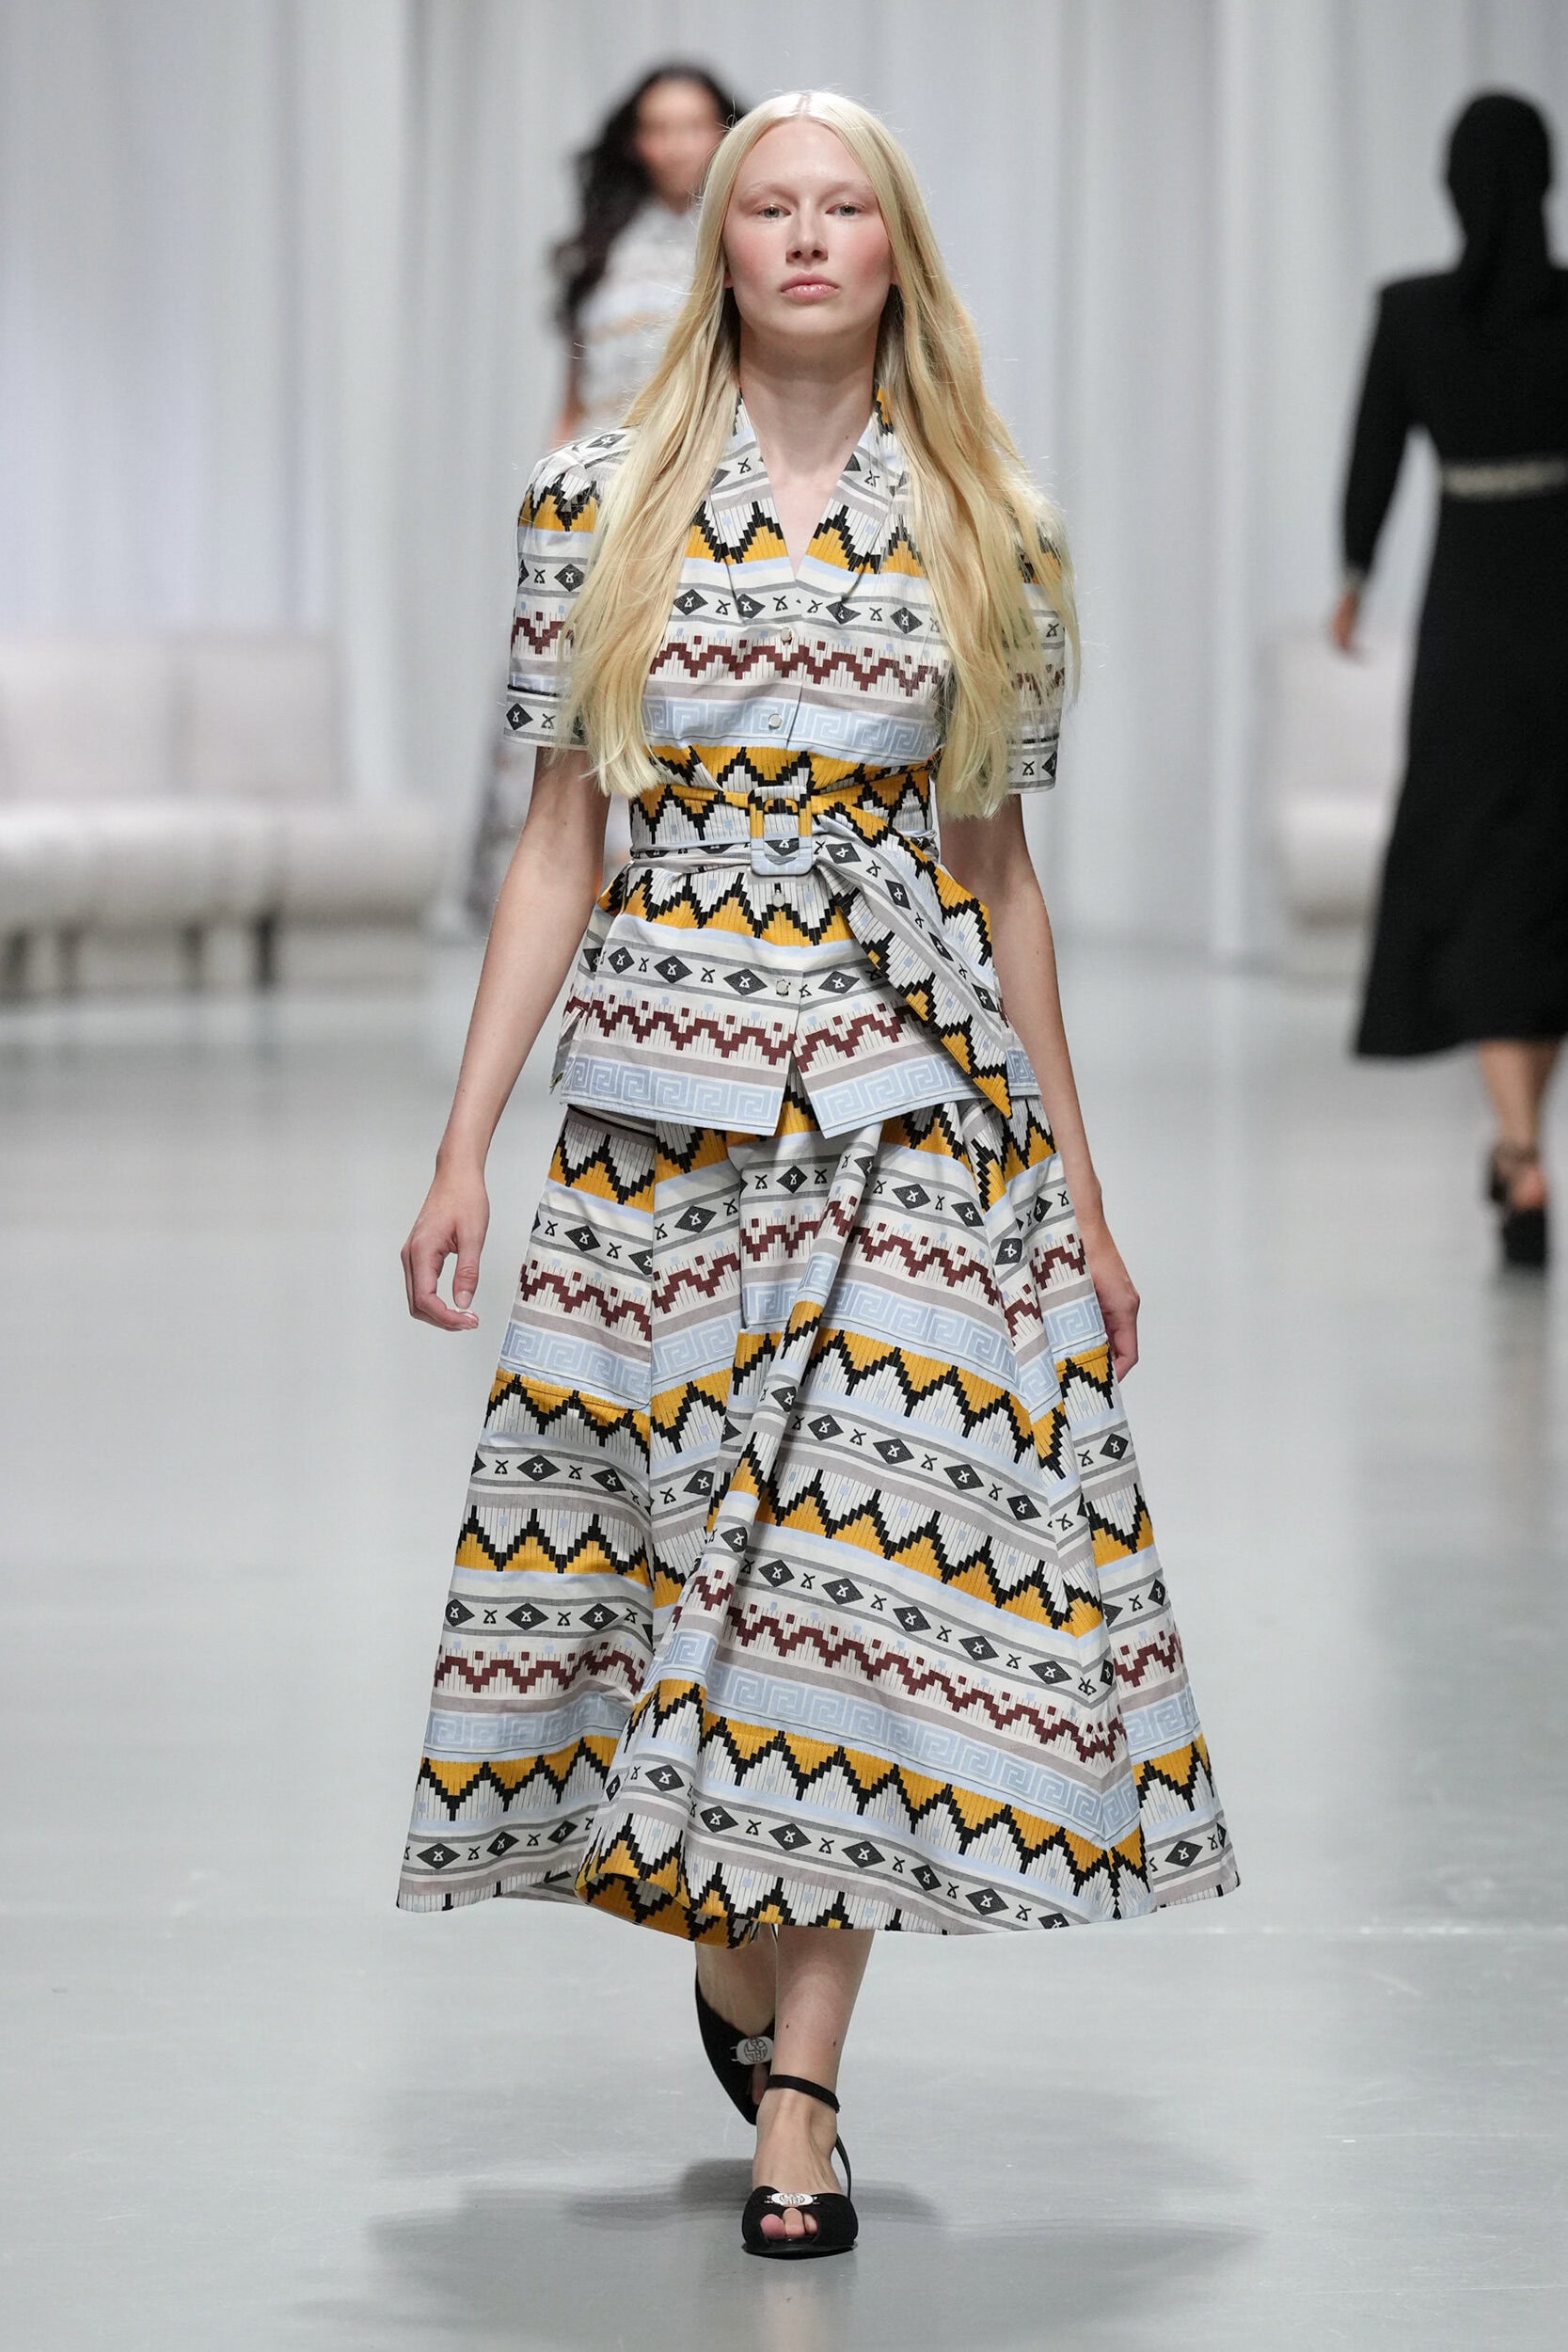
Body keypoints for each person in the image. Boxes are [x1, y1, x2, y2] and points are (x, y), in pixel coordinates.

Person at [400, 90, 1237, 2260]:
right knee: (678, 1573)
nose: (798, 234)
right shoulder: (591, 505)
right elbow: (559, 842)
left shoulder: (990, 526)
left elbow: (999, 871)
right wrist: (463, 1143)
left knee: (850, 1593)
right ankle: (729, 1944)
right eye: (763, 205)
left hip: (902, 1099)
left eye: (838, 204)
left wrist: (1080, 1195)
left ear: (893, 250)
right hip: (655, 1110)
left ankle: (805, 2092)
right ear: (718, 247)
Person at [1333, 91, 1568, 1269]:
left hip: (1468, 621)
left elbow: (1372, 456)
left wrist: (1352, 578)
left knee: (1479, 868)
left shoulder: (1411, 312)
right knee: (1549, 879)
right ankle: (1524, 1142)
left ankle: (1518, 1150)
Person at [466, 64, 741, 921]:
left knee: (666, 683)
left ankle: (662, 896)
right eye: (657, 127)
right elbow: (573, 394)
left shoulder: (738, 237)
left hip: (691, 490)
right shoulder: (603, 247)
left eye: (694, 125)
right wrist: (547, 506)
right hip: (594, 495)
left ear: (724, 132)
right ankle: (553, 907)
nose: (676, 145)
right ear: (634, 141)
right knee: (566, 690)